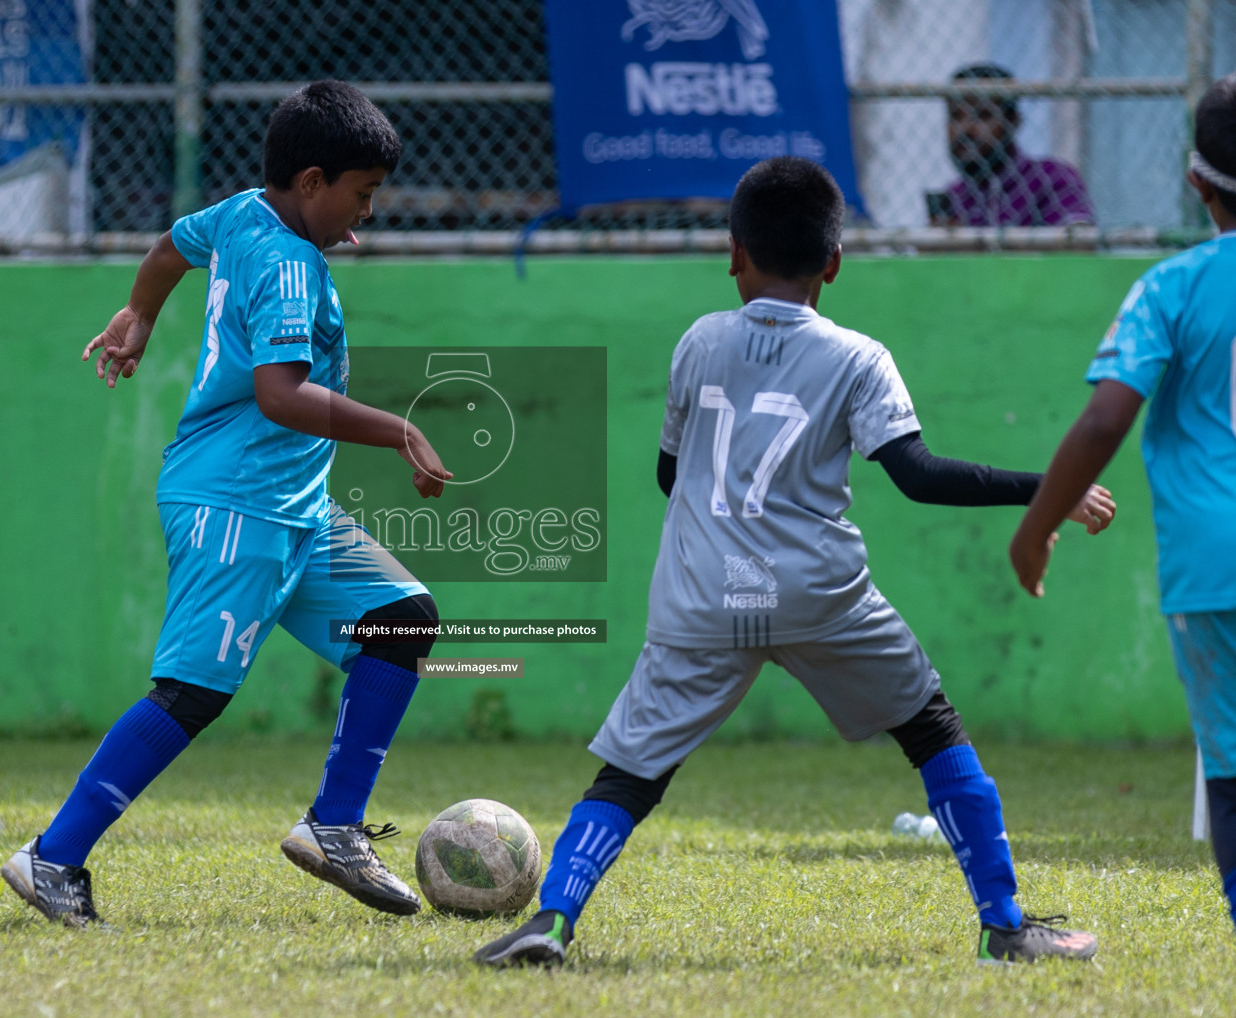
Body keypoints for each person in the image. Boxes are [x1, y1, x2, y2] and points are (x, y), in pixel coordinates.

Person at [475, 156, 1113, 969]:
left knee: (633, 773)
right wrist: (1043, 491)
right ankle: (1004, 924)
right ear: (835, 264)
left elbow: (672, 476)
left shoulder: (700, 340)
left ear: (733, 252)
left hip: (701, 595)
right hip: (820, 594)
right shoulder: (859, 356)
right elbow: (918, 477)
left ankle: (553, 921)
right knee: (931, 731)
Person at [0, 80, 453, 927]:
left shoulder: (245, 211)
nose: (363, 217)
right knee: (191, 692)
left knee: (401, 619)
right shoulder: (287, 263)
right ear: (311, 181)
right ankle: (52, 857)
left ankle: (335, 826)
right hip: (236, 501)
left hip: (295, 503)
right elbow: (279, 395)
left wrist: (139, 313)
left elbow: (171, 247)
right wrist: (397, 431)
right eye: (360, 194)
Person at [1011, 73, 1236, 935]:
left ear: (1196, 181)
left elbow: (1108, 415)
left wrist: (1035, 532)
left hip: (1213, 571)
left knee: (1231, 767)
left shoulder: (1170, 289)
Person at [929, 63, 1095, 228]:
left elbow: (1081, 245)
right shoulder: (956, 195)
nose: (965, 129)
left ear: (1012, 121)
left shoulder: (1051, 179)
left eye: (983, 115)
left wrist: (971, 249)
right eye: (956, 116)